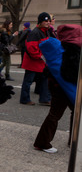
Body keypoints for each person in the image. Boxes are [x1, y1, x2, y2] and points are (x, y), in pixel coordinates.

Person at [33, 24, 81, 153]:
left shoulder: (58, 48)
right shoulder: (72, 49)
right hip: (64, 87)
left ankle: (74, 141)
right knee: (58, 114)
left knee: (74, 113)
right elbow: (71, 72)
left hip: (57, 85)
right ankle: (42, 142)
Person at [20, 12, 52, 106]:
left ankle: (44, 99)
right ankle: (25, 99)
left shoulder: (46, 32)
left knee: (44, 80)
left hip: (40, 62)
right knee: (28, 81)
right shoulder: (35, 32)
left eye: (49, 20)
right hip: (33, 62)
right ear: (40, 22)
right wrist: (41, 56)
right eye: (46, 20)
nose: (48, 22)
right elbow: (31, 48)